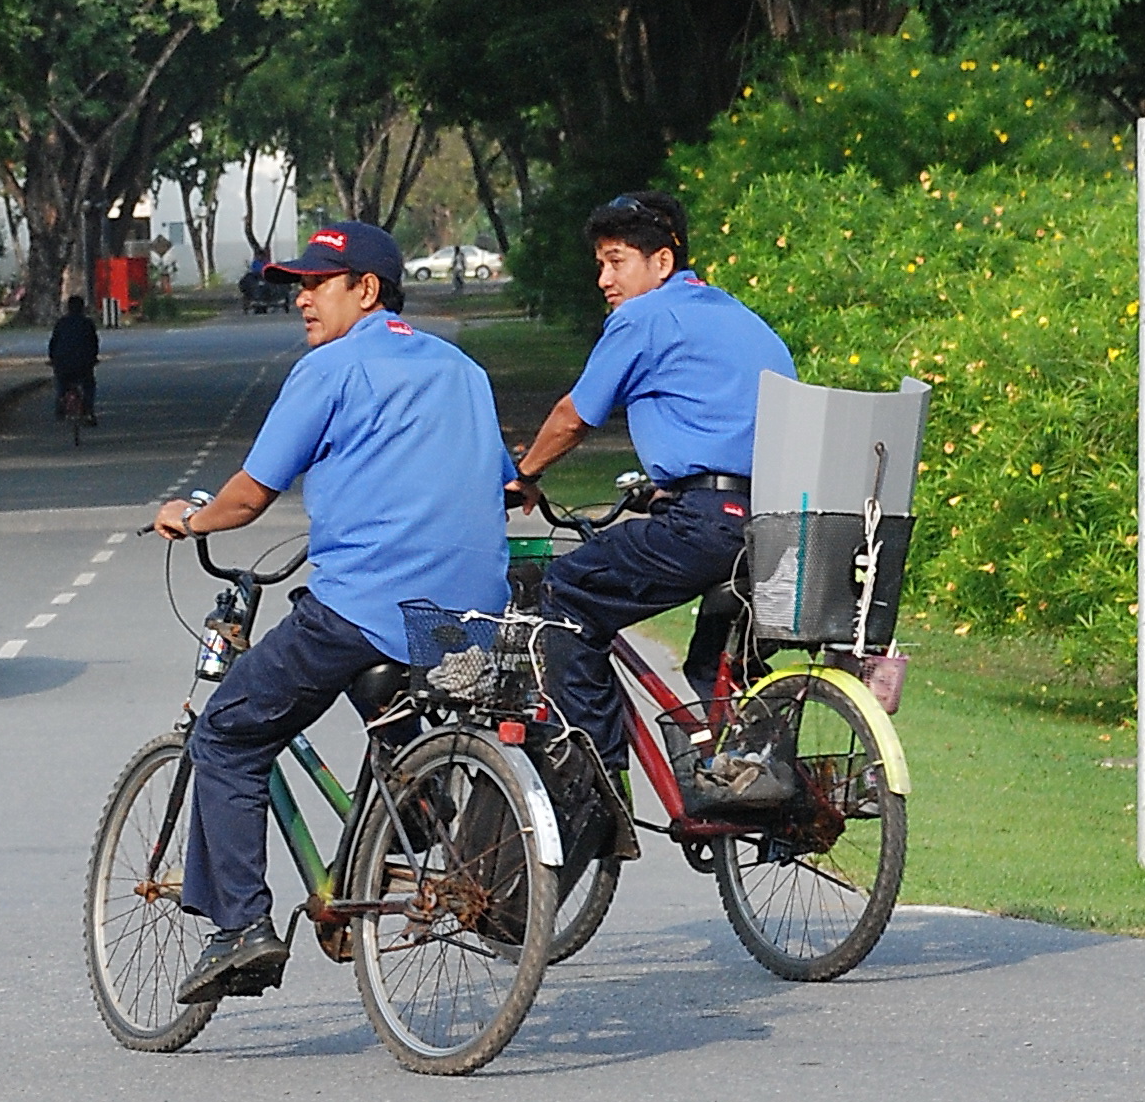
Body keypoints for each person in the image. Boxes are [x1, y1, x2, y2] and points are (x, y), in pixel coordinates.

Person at [150, 222, 511, 1002]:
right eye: (298, 286)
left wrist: (190, 515)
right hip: (467, 617)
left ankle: (241, 928)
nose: (302, 299)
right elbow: (505, 484)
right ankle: (406, 823)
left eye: (318, 283)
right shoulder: (462, 369)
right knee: (393, 706)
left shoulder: (332, 369)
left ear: (368, 289)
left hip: (363, 604)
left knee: (229, 735)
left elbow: (248, 498)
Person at [509, 188, 797, 789]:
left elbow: (572, 417)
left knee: (562, 597)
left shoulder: (642, 317)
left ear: (661, 263)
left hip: (709, 523)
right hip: (776, 525)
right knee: (712, 664)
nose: (603, 280)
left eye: (616, 261)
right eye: (600, 264)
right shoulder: (741, 317)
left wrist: (525, 476)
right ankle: (746, 784)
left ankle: (595, 778)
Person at [49, 292, 100, 424]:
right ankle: (88, 411)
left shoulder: (61, 323)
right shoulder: (88, 323)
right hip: (84, 364)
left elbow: (53, 343)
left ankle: (60, 402)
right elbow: (94, 344)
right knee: (89, 385)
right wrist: (93, 358)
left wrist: (53, 359)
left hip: (63, 363)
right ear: (82, 308)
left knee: (61, 383)